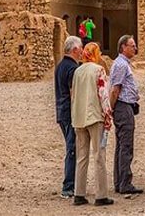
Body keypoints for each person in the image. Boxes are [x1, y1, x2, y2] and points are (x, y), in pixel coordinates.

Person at [71, 43, 114, 207]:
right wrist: (108, 115)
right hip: (95, 117)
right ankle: (101, 194)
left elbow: (73, 94)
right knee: (99, 156)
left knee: (82, 157)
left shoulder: (77, 71)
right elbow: (103, 94)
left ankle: (79, 193)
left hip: (79, 117)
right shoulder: (98, 70)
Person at [109, 35, 141, 195]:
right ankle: (125, 182)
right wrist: (112, 108)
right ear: (123, 47)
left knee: (121, 145)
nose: (135, 48)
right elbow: (115, 89)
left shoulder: (122, 64)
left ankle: (119, 181)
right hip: (123, 107)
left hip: (124, 107)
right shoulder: (121, 65)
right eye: (132, 45)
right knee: (126, 145)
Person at [55, 36, 83, 198]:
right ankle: (68, 186)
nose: (81, 52)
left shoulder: (60, 66)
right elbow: (74, 93)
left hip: (61, 111)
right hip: (69, 113)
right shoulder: (72, 68)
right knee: (72, 149)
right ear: (74, 50)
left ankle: (72, 183)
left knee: (71, 147)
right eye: (80, 48)